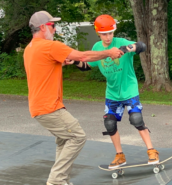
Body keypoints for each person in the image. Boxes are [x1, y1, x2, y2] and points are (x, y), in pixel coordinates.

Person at [23, 11, 124, 185]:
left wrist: (60, 62)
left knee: (64, 141)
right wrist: (108, 53)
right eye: (52, 26)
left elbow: (43, 66)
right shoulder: (50, 46)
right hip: (49, 107)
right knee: (77, 136)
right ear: (42, 27)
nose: (55, 29)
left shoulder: (30, 48)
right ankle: (56, 181)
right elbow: (83, 57)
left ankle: (62, 181)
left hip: (38, 107)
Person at [69, 14, 160, 169]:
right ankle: (120, 156)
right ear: (98, 33)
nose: (108, 37)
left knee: (136, 119)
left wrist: (128, 48)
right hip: (112, 94)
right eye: (104, 34)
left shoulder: (121, 42)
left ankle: (152, 151)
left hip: (129, 90)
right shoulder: (97, 48)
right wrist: (75, 62)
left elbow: (142, 46)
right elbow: (87, 66)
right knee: (109, 124)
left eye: (110, 33)